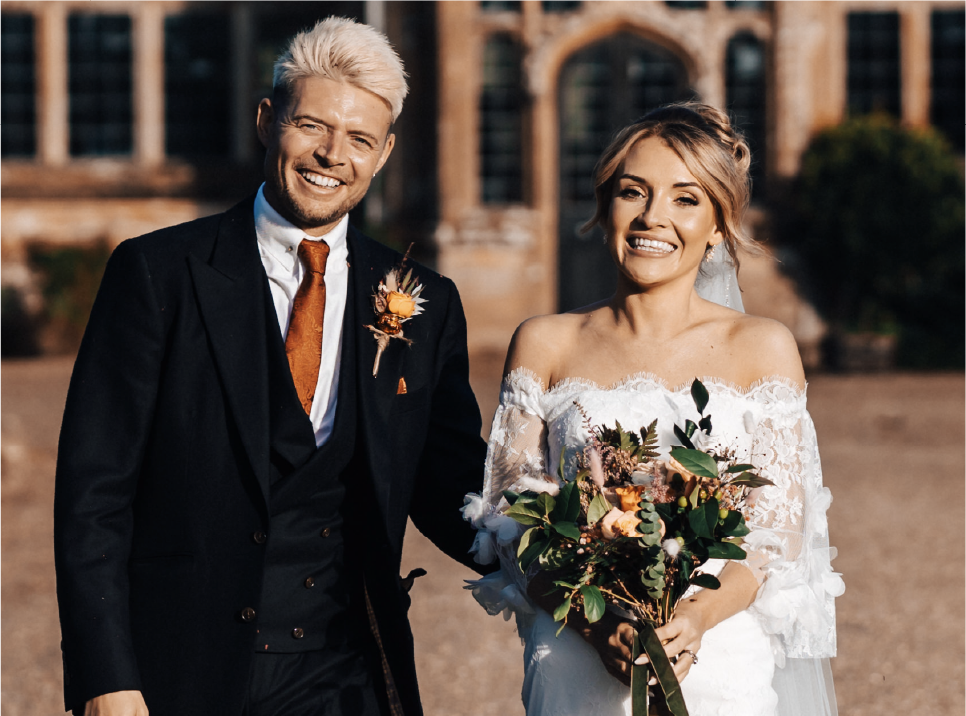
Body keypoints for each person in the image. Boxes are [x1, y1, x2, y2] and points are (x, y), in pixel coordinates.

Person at [54, 17, 488, 716]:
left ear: (383, 154)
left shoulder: (426, 302)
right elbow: (94, 493)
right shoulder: (158, 273)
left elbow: (454, 488)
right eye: (311, 125)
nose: (331, 155)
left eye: (359, 139)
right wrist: (107, 675)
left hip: (347, 674)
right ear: (266, 120)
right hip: (185, 671)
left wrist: (581, 561)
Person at [463, 103, 844, 716]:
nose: (652, 217)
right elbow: (510, 521)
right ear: (605, 204)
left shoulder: (763, 347)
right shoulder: (544, 342)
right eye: (632, 191)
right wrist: (595, 624)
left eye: (685, 199)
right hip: (576, 652)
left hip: (717, 649)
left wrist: (698, 616)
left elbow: (776, 535)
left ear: (718, 226)